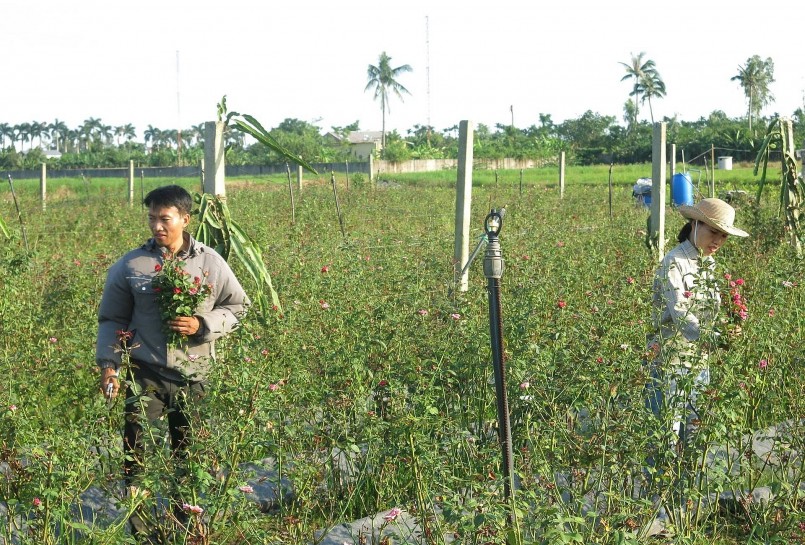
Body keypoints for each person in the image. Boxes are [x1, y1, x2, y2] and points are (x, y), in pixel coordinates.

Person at [96, 185, 249, 539]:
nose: (156, 226)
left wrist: (203, 325)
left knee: (189, 454)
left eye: (165, 219)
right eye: (151, 218)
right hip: (144, 374)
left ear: (185, 219)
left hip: (193, 375)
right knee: (136, 454)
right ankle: (141, 531)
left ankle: (189, 527)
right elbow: (112, 320)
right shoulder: (133, 264)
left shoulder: (209, 261)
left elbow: (237, 306)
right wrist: (110, 366)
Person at [645, 198, 748, 453]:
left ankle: (687, 490)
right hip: (669, 359)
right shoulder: (674, 261)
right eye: (713, 232)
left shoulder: (707, 263)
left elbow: (708, 312)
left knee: (695, 433)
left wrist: (727, 326)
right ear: (695, 224)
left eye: (723, 236)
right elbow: (680, 312)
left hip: (699, 360)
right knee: (665, 434)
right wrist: (714, 337)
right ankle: (659, 491)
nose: (718, 241)